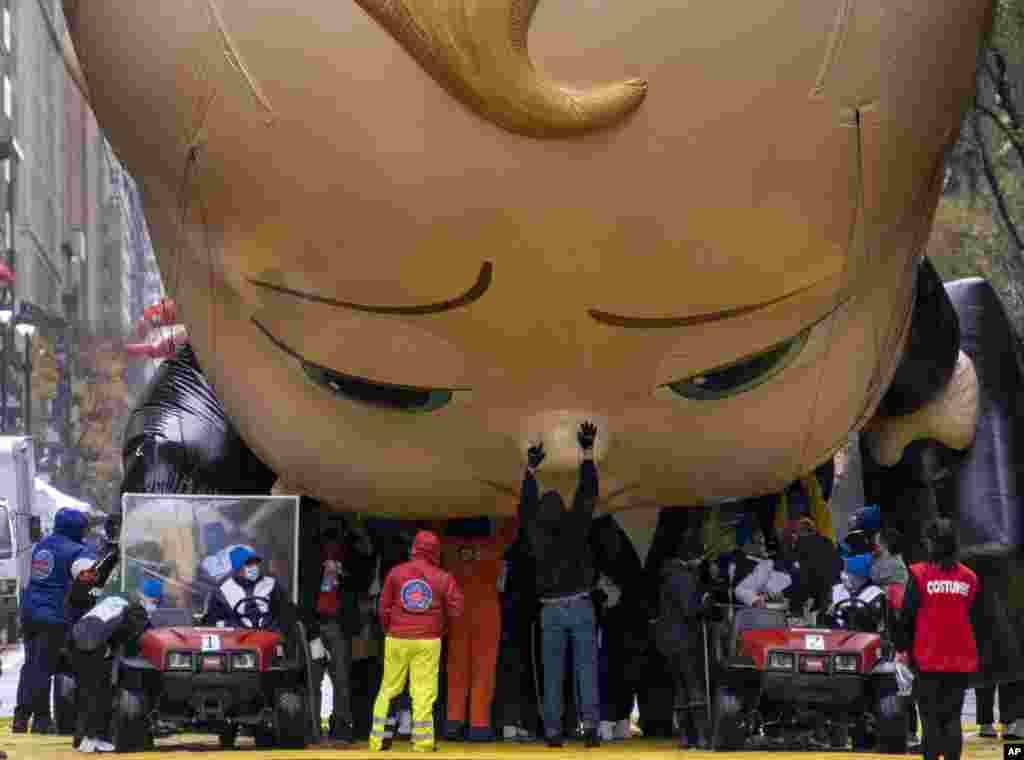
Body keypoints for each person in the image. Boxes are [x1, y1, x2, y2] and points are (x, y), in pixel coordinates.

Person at [518, 421, 601, 748]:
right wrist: (587, 451)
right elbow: (588, 493)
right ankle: (591, 728)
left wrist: (530, 469)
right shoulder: (576, 524)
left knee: (552, 673)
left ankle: (553, 733)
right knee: (586, 668)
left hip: (550, 610)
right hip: (581, 604)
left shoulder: (536, 535)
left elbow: (524, 508)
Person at [369, 530, 464, 753]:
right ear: (435, 552)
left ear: (414, 549)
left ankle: (377, 742)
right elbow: (457, 611)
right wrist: (442, 629)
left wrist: (389, 629)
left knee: (389, 688)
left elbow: (382, 607)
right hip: (428, 640)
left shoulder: (396, 573)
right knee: (423, 691)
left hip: (396, 638)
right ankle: (422, 743)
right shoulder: (443, 577)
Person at [895, 518, 979, 760]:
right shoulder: (969, 578)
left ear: (931, 544)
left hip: (928, 658)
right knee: (952, 717)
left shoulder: (920, 574)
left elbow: (907, 616)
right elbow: (970, 613)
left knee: (930, 720)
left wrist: (902, 649)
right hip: (960, 660)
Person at [14, 507, 92, 734]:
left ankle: (21, 717)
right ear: (77, 528)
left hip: (30, 612)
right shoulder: (78, 550)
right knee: (44, 667)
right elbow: (86, 576)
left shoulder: (43, 545)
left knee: (31, 664)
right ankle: (41, 720)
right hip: (52, 615)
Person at [441, 515, 518, 742]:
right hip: (487, 611)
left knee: (456, 668)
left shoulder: (448, 546)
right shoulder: (493, 545)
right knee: (483, 669)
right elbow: (513, 527)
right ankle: (479, 725)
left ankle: (453, 723)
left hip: (457, 611)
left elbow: (428, 525)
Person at [309, 523, 376, 744]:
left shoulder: (350, 556)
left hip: (338, 623)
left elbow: (362, 581)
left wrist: (343, 572)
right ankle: (313, 727)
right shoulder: (309, 552)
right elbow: (302, 586)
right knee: (313, 678)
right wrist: (310, 630)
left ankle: (341, 727)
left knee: (341, 679)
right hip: (315, 622)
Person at [70, 584, 154, 754]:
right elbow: (135, 635)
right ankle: (93, 739)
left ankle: (81, 738)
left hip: (75, 639)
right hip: (94, 644)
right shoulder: (134, 609)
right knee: (100, 692)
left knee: (86, 691)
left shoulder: (110, 602)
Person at [653, 538, 711, 750]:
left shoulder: (668, 574)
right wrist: (705, 602)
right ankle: (702, 737)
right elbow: (690, 610)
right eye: (700, 556)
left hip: (668, 640)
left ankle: (686, 738)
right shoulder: (684, 578)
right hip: (684, 638)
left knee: (679, 689)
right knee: (694, 687)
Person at [203, 546, 300, 632]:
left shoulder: (271, 584)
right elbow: (213, 622)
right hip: (238, 642)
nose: (254, 567)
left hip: (270, 637)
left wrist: (278, 626)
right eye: (248, 564)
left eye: (256, 563)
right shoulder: (222, 591)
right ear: (237, 567)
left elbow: (288, 612)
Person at [781, 517, 843, 618]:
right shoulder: (827, 541)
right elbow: (838, 564)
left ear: (800, 531)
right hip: (827, 589)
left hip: (805, 590)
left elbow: (789, 565)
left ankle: (796, 614)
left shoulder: (800, 543)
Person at [732, 527, 791, 608]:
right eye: (760, 543)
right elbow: (739, 591)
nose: (763, 548)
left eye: (763, 543)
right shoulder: (742, 562)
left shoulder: (771, 563)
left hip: (773, 607)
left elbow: (785, 582)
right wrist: (757, 599)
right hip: (751, 610)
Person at [828, 554, 885, 631]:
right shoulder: (836, 589)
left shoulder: (876, 593)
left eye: (848, 572)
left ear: (861, 576)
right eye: (843, 572)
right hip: (835, 635)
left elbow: (874, 619)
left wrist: (848, 612)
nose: (843, 576)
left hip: (863, 637)